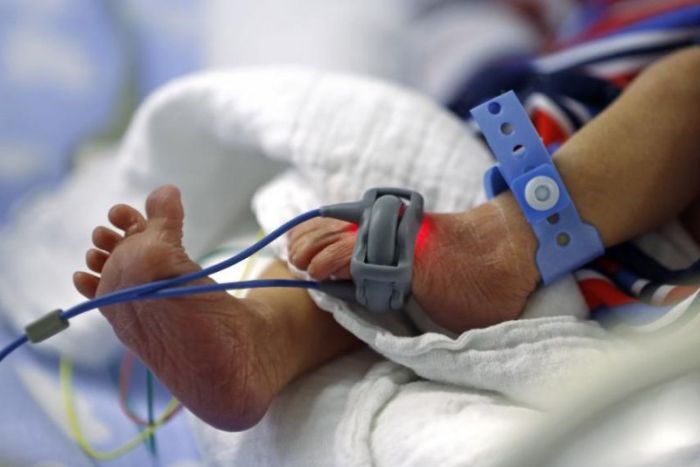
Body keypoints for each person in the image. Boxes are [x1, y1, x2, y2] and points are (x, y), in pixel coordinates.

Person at [73, 5, 700, 430]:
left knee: (388, 236)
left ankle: (501, 243)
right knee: (373, 247)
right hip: (572, 181)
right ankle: (260, 334)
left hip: (584, 183)